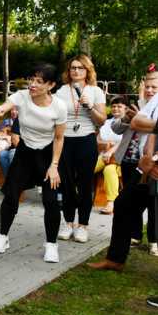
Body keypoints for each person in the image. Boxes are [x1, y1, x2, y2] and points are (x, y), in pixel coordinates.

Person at [0, 63, 73, 263]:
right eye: (31, 79)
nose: (32, 84)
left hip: (48, 155)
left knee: (51, 200)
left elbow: (59, 138)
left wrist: (54, 166)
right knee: (10, 195)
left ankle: (51, 245)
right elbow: (6, 105)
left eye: (39, 81)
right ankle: (3, 237)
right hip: (25, 152)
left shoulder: (59, 106)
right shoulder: (22, 96)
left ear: (51, 85)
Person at [87, 73, 158, 271]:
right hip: (144, 166)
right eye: (148, 86)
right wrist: (151, 157)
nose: (150, 90)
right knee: (123, 204)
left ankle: (152, 244)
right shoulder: (152, 102)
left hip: (154, 165)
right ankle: (116, 259)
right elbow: (137, 125)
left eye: (155, 86)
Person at [54, 55, 107, 243]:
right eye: (73, 68)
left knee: (84, 185)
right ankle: (68, 223)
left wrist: (90, 107)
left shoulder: (95, 91)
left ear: (88, 70)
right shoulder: (60, 91)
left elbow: (102, 120)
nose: (76, 71)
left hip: (86, 141)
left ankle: (82, 226)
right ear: (68, 71)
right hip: (65, 141)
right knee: (67, 184)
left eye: (80, 68)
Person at [93, 97, 127, 215]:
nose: (115, 108)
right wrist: (106, 144)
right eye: (113, 106)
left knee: (109, 170)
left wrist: (109, 151)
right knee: (86, 167)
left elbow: (124, 141)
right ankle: (74, 195)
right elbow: (96, 141)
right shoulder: (106, 122)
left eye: (119, 106)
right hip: (102, 156)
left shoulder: (128, 123)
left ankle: (111, 202)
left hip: (119, 159)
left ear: (126, 108)